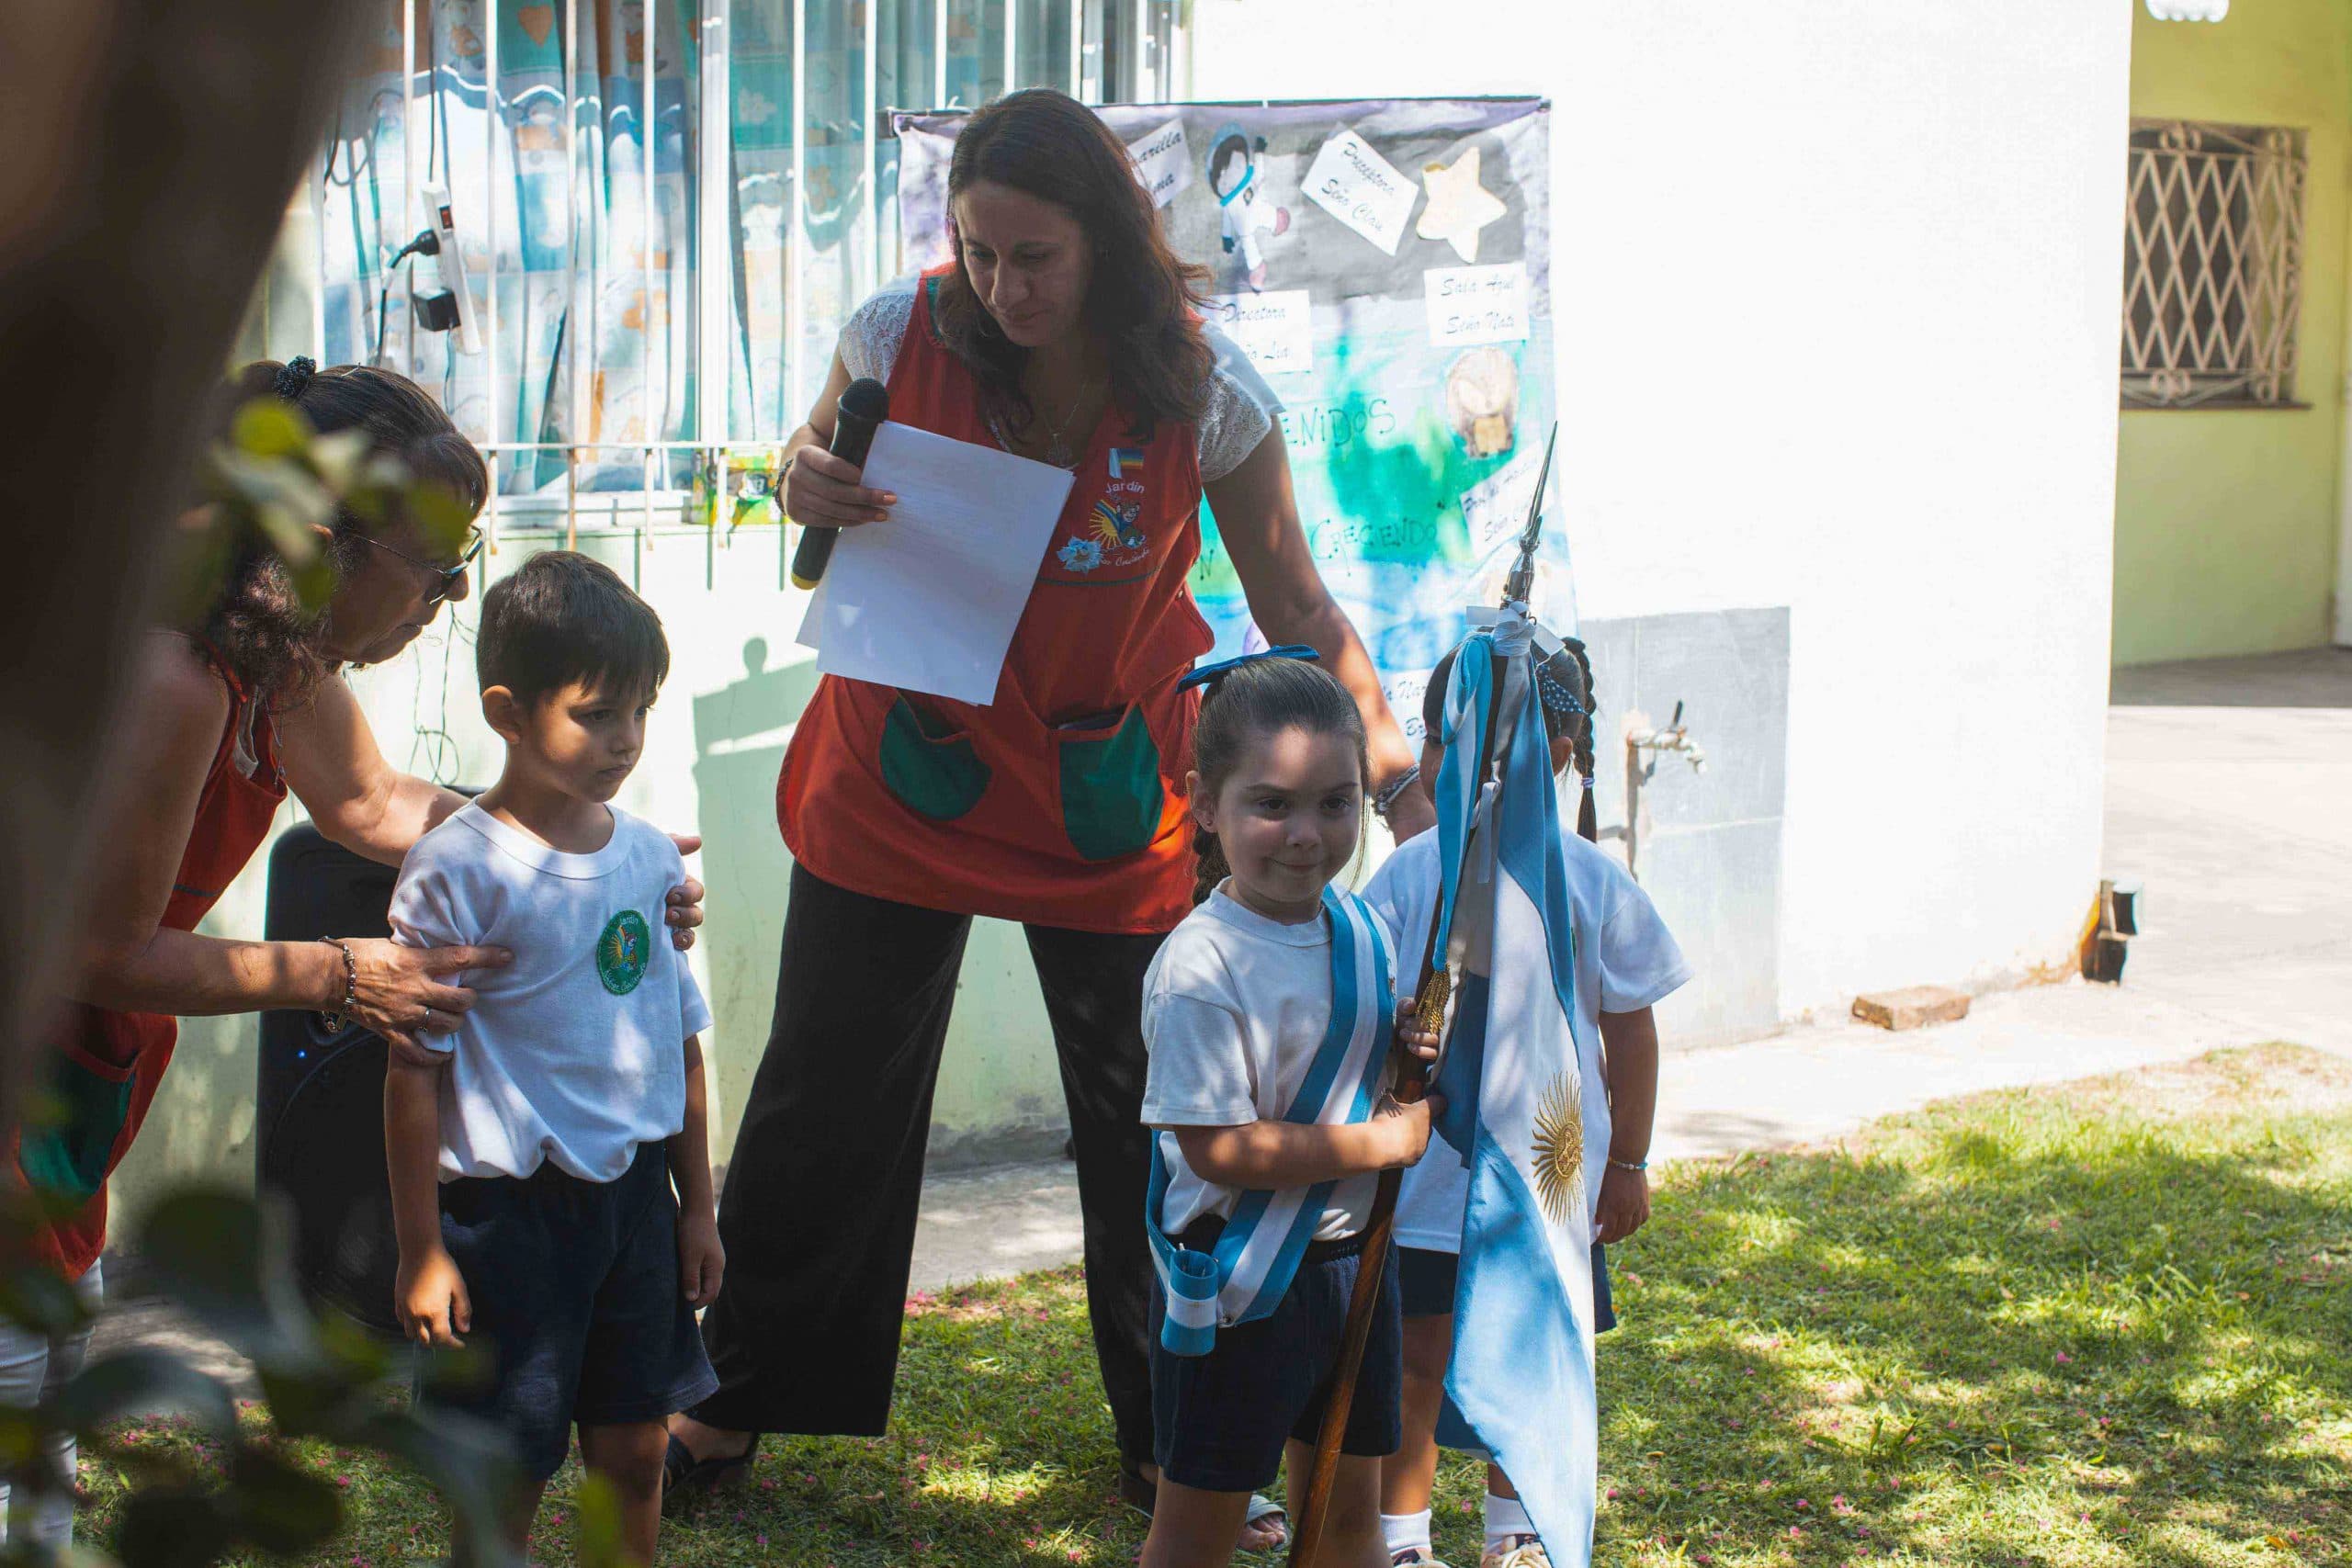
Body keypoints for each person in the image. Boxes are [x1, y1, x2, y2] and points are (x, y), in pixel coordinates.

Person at [665, 88, 1433, 1554]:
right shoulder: (900, 331)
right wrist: (798, 476)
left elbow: (1295, 603)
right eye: (979, 251)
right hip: (901, 774)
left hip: (1106, 805)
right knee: (822, 1099)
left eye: (1036, 258)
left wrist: (1397, 784)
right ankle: (736, 1392)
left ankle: (1173, 1439)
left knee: (1145, 1124)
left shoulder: (1202, 391)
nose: (1003, 290)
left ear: (1110, 244)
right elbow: (805, 474)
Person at [6, 360, 703, 1550]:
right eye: (437, 566)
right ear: (331, 541)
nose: (447, 595)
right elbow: (103, 949)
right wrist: (342, 968)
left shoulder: (274, 661)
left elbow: (375, 798)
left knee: (44, 1374)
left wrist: (584, 859)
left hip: (74, 1080)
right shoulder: (181, 676)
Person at [385, 552, 721, 1564]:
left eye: (640, 713)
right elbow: (412, 1074)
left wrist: (697, 1207)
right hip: (506, 1217)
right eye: (597, 713)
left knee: (633, 1452)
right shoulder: (456, 868)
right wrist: (421, 1248)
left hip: (633, 1213)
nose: (624, 742)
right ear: (507, 711)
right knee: (505, 1470)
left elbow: (681, 1043)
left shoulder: (651, 859)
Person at [1363, 636, 1689, 1568]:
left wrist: (1627, 1162)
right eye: (1471, 738)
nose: (1498, 763)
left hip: (1551, 1180)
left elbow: (1629, 1028)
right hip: (1428, 1178)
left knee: (1534, 1353)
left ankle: (1517, 1535)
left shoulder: (1591, 881)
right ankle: (1400, 1540)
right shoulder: (1413, 872)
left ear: (1568, 745)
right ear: (1436, 748)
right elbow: (1367, 1009)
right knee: (1417, 1363)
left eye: (1528, 735)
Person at [1137, 652, 1442, 1568]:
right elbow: (1217, 1148)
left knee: (1347, 1523)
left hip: (1354, 1268)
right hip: (1239, 1286)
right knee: (1198, 1537)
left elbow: (1352, 1053)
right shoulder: (1201, 968)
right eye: (1270, 804)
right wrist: (1375, 1142)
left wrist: (1404, 1051)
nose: (1305, 834)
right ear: (1203, 801)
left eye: (1334, 803)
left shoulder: (1361, 930)